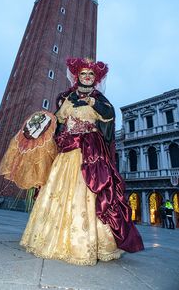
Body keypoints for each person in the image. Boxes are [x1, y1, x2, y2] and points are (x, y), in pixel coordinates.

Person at [16, 57, 144, 266]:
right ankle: (50, 238)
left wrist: (92, 103)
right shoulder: (67, 99)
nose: (87, 76)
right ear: (77, 76)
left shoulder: (100, 100)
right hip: (66, 151)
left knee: (89, 191)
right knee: (57, 189)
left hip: (90, 151)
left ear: (96, 78)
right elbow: (56, 120)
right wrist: (41, 122)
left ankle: (86, 243)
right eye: (83, 73)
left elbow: (109, 115)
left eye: (91, 74)